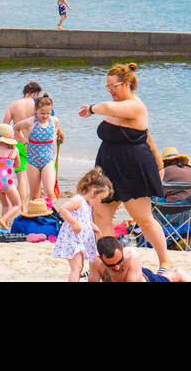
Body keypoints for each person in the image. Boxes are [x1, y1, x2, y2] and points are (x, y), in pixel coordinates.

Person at [79, 63, 173, 271]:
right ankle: (111, 262)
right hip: (108, 168)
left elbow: (110, 108)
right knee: (101, 215)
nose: (111, 91)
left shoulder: (135, 106)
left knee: (143, 218)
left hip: (133, 168)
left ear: (128, 83)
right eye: (108, 87)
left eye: (114, 86)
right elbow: (111, 110)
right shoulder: (116, 105)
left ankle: (166, 262)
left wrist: (92, 108)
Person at [53, 167, 111, 282]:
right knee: (77, 267)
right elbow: (63, 209)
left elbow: (83, 218)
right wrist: (74, 223)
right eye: (100, 199)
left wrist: (92, 225)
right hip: (72, 238)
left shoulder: (87, 204)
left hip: (80, 239)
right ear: (93, 192)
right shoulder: (78, 200)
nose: (100, 202)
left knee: (79, 267)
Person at [18, 95, 64, 201]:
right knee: (34, 196)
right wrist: (24, 142)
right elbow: (16, 129)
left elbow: (56, 128)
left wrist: (57, 135)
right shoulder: (30, 122)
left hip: (48, 160)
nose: (45, 116)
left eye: (48, 113)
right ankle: (33, 216)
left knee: (49, 193)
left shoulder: (54, 121)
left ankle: (47, 214)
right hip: (32, 161)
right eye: (42, 113)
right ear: (36, 111)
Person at [4, 82, 43, 203]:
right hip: (36, 144)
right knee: (36, 179)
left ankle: (22, 208)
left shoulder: (13, 105)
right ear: (35, 93)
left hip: (19, 144)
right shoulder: (38, 104)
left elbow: (5, 126)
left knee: (22, 179)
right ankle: (36, 205)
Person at [89, 236, 186, 282]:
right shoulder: (95, 262)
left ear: (122, 249)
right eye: (111, 265)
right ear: (100, 258)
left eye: (119, 261)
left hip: (144, 278)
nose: (117, 267)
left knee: (168, 279)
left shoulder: (132, 256)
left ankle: (177, 274)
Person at [0, 123, 22, 228]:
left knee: (5, 205)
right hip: (7, 182)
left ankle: (5, 224)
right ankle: (4, 219)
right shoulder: (14, 150)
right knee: (17, 204)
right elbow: (18, 165)